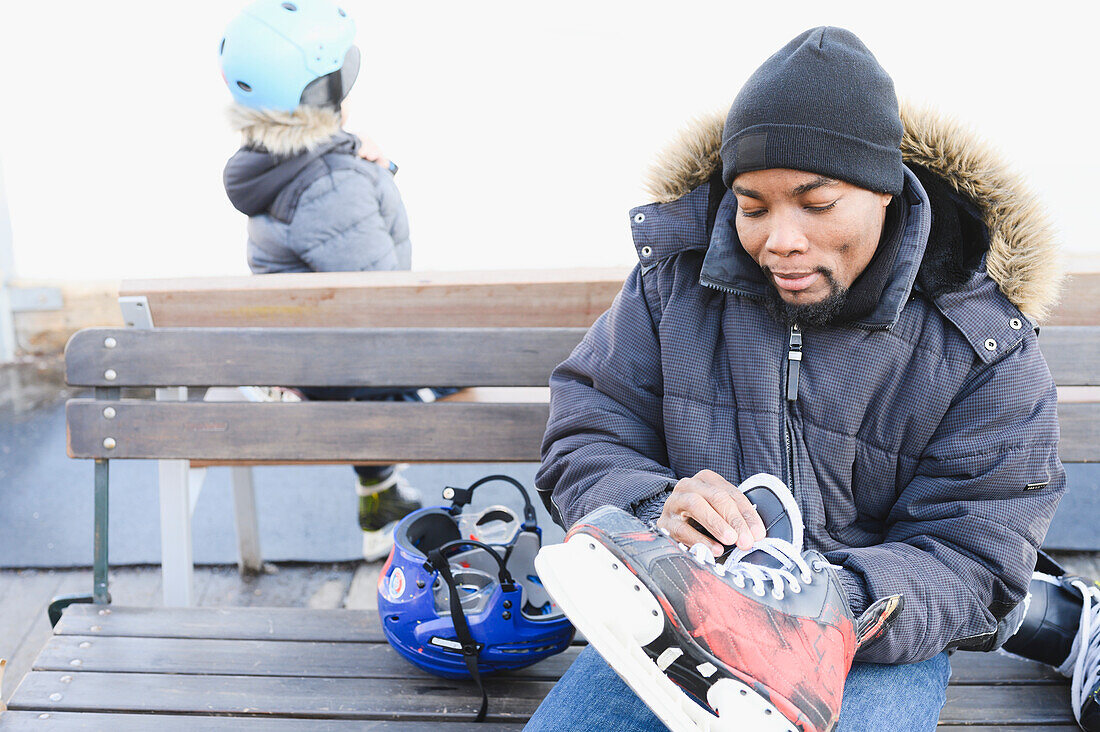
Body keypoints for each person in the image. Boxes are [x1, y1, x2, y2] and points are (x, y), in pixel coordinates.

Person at [529, 26, 1070, 730]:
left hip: (866, 645)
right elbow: (589, 429)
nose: (778, 239)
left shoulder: (981, 341)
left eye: (816, 205)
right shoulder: (673, 286)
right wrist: (653, 516)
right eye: (751, 207)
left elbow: (977, 557)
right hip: (674, 617)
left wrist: (824, 602)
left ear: (886, 192)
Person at [218, 0, 438, 561]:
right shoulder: (331, 185)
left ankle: (380, 499)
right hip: (345, 376)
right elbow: (383, 302)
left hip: (319, 357)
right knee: (467, 367)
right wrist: (363, 172)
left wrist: (370, 166)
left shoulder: (277, 161)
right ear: (325, 87)